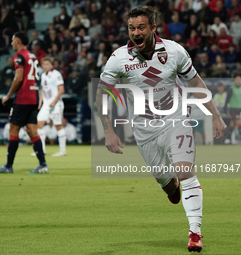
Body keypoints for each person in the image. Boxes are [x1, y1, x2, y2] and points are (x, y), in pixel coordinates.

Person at [96, 6, 227, 252]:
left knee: (185, 171)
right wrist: (108, 131)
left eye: (141, 27)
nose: (135, 32)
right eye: (131, 28)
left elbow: (195, 82)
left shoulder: (174, 51)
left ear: (153, 28)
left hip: (176, 120)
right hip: (144, 130)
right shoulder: (118, 58)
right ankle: (173, 187)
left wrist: (216, 115)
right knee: (170, 187)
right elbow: (102, 94)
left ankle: (195, 233)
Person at [0, 32, 48, 174]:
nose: (11, 43)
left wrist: (8, 95)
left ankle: (8, 166)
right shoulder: (33, 56)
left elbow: (18, 78)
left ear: (17, 41)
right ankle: (43, 165)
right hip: (33, 97)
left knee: (13, 129)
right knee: (32, 130)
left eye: (12, 40)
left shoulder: (19, 56)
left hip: (23, 98)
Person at [34, 57, 66, 157]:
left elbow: (61, 90)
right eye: (44, 64)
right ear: (42, 66)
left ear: (51, 65)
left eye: (48, 64)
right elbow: (43, 90)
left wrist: (54, 101)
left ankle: (62, 150)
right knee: (38, 125)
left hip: (56, 105)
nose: (46, 66)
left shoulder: (56, 74)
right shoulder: (43, 75)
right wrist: (40, 102)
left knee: (58, 126)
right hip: (46, 105)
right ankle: (41, 150)